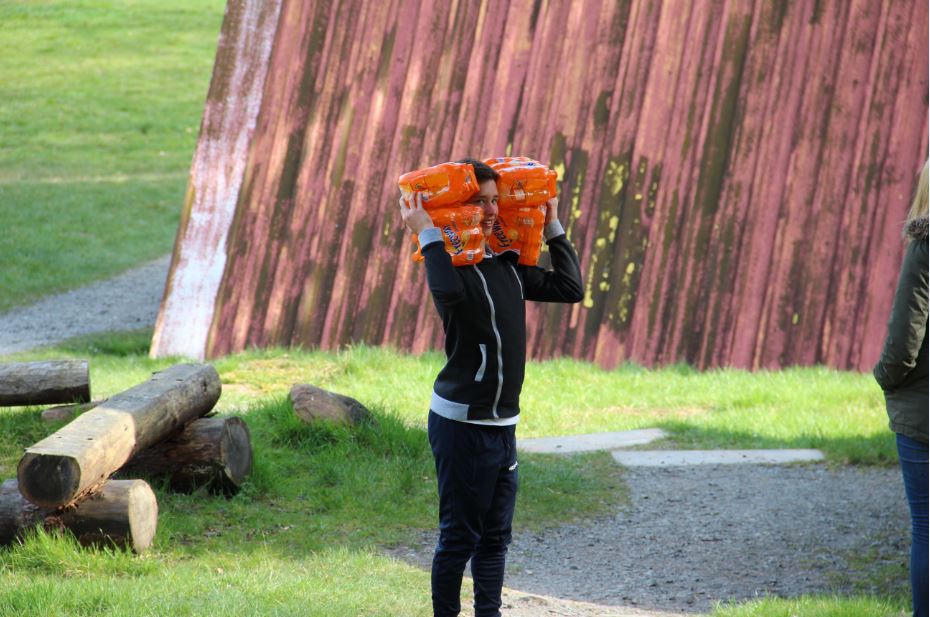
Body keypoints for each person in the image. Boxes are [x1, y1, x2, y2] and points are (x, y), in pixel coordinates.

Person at [398, 158, 583, 617]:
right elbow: (447, 294)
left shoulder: (508, 268)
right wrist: (428, 232)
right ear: (458, 207)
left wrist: (552, 225)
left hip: (503, 426)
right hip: (461, 425)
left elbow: (570, 287)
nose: (490, 211)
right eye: (479, 201)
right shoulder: (451, 268)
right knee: (459, 537)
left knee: (496, 537)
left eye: (494, 201)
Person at [874, 160, 928, 617]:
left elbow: (904, 340)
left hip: (923, 417)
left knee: (927, 529)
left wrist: (884, 378)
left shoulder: (925, 246)